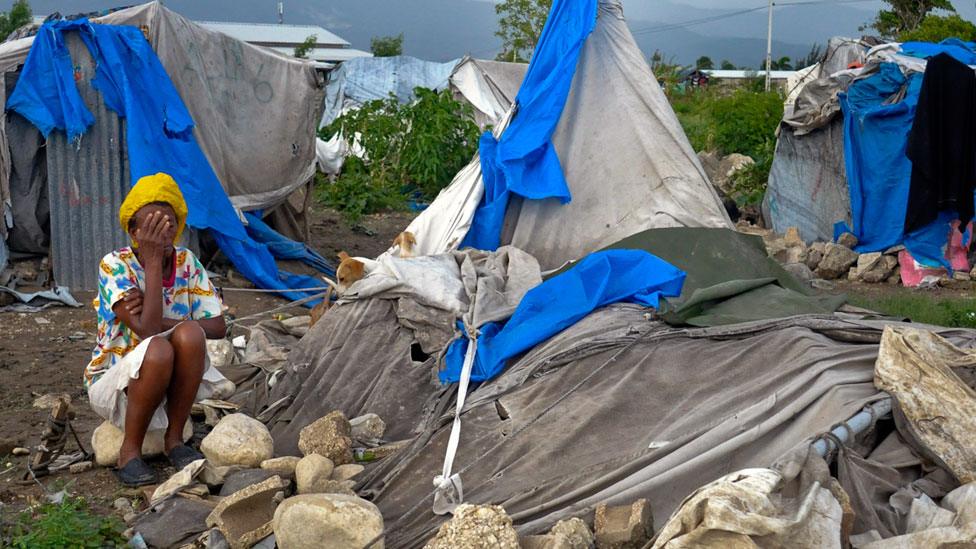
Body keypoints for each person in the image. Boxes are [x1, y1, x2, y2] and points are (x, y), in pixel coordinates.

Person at [85, 173, 229, 486]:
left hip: (165, 388)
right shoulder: (115, 264)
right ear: (133, 231)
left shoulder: (187, 263)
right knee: (161, 346)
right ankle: (129, 452)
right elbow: (149, 334)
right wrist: (151, 265)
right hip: (115, 387)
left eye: (167, 225)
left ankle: (174, 440)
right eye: (150, 228)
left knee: (190, 335)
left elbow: (217, 326)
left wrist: (168, 324)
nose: (161, 235)